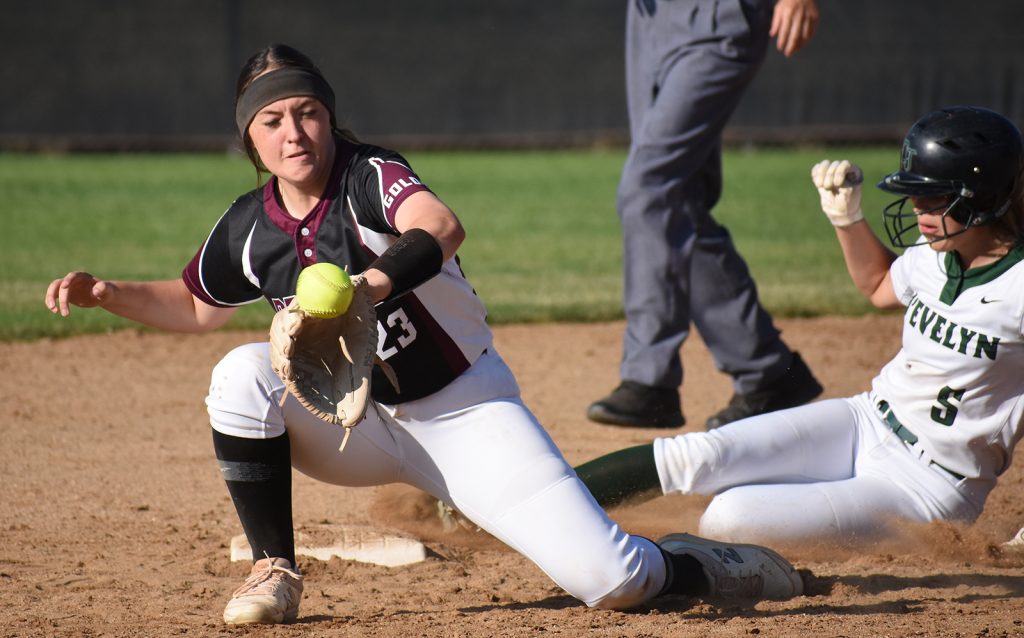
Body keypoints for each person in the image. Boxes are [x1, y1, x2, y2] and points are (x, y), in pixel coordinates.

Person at [45, 44, 805, 626]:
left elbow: (439, 227)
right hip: (355, 425)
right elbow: (193, 303)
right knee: (239, 375)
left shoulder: (371, 176)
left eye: (305, 111)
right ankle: (275, 568)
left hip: (465, 409)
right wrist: (107, 294)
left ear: (328, 116)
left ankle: (711, 565)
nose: (293, 131)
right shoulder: (249, 229)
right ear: (251, 137)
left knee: (614, 582)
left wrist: (368, 287)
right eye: (271, 119)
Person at [576, 106, 1024, 545]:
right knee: (697, 457)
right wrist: (846, 219)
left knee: (731, 516)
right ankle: (537, 508)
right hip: (864, 420)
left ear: (985, 196)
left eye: (935, 197)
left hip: (928, 487)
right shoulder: (936, 252)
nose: (917, 209)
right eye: (914, 195)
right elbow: (879, 284)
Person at [588, 0, 824, 430]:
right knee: (678, 205)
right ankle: (770, 373)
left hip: (720, 18)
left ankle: (650, 380)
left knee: (648, 189)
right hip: (649, 21)